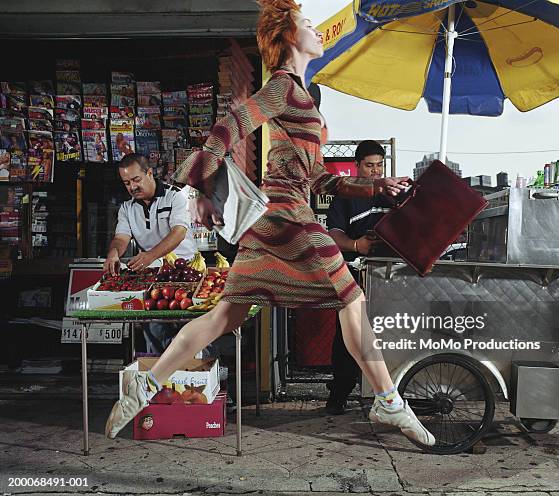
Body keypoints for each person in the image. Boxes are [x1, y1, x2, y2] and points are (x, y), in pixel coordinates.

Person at [105, 0, 435, 448]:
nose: (317, 32)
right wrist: (204, 187)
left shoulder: (302, 98)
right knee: (351, 297)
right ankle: (388, 400)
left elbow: (320, 180)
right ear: (287, 39)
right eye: (307, 25)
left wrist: (377, 188)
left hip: (269, 222)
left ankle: (147, 384)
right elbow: (229, 126)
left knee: (224, 315)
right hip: (286, 217)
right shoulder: (282, 87)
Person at [103, 153, 198, 354]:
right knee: (155, 333)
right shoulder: (127, 208)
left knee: (190, 335)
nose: (132, 187)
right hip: (152, 278)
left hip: (185, 273)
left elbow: (179, 232)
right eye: (126, 183)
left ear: (149, 173)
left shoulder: (175, 197)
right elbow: (121, 238)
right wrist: (113, 254)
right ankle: (159, 379)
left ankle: (197, 375)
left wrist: (151, 255)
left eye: (136, 180)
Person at [325, 140, 394, 415]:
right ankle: (339, 393)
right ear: (356, 166)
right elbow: (334, 235)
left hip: (392, 276)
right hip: (354, 274)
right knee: (348, 336)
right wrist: (356, 246)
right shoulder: (345, 197)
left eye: (379, 166)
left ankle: (391, 393)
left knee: (392, 334)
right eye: (369, 166)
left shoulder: (393, 193)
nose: (375, 171)